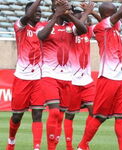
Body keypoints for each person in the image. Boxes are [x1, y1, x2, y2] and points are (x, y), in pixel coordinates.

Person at [77, 0, 122, 150]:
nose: (117, 13)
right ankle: (82, 146)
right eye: (114, 11)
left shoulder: (113, 26)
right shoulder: (102, 27)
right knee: (100, 116)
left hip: (121, 78)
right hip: (108, 78)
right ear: (109, 15)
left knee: (121, 117)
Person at [36, 0, 87, 149]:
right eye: (67, 8)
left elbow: (83, 30)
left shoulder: (71, 27)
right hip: (49, 75)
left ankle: (54, 145)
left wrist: (69, 15)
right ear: (55, 8)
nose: (69, 10)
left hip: (67, 77)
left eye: (70, 8)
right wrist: (56, 14)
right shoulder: (43, 25)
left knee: (60, 116)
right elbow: (41, 36)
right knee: (54, 113)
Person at [6, 1, 43, 150]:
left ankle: (37, 147)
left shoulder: (41, 29)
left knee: (38, 114)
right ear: (28, 13)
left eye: (40, 11)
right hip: (22, 78)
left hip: (38, 79)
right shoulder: (19, 27)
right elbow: (27, 15)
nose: (38, 13)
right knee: (17, 116)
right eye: (36, 11)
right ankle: (11, 142)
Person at [63, 2, 96, 150]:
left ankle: (84, 144)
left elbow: (105, 23)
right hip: (73, 81)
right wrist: (86, 13)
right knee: (70, 115)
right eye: (78, 16)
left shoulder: (88, 31)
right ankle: (69, 146)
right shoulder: (69, 30)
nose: (82, 18)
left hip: (87, 80)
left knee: (94, 112)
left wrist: (91, 12)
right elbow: (78, 26)